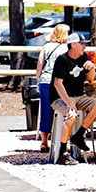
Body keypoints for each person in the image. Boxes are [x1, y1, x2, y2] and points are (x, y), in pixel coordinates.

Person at [50, 33, 96, 165]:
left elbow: (90, 79)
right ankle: (62, 153)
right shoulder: (62, 60)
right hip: (60, 97)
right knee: (71, 115)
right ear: (73, 45)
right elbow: (57, 83)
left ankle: (79, 135)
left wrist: (92, 67)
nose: (84, 47)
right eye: (82, 44)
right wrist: (69, 103)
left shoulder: (84, 57)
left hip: (78, 96)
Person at [34, 23, 71, 152]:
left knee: (46, 110)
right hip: (61, 82)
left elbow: (40, 64)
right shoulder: (67, 48)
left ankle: (44, 141)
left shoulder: (46, 47)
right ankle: (63, 139)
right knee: (65, 108)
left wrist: (38, 79)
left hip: (46, 80)